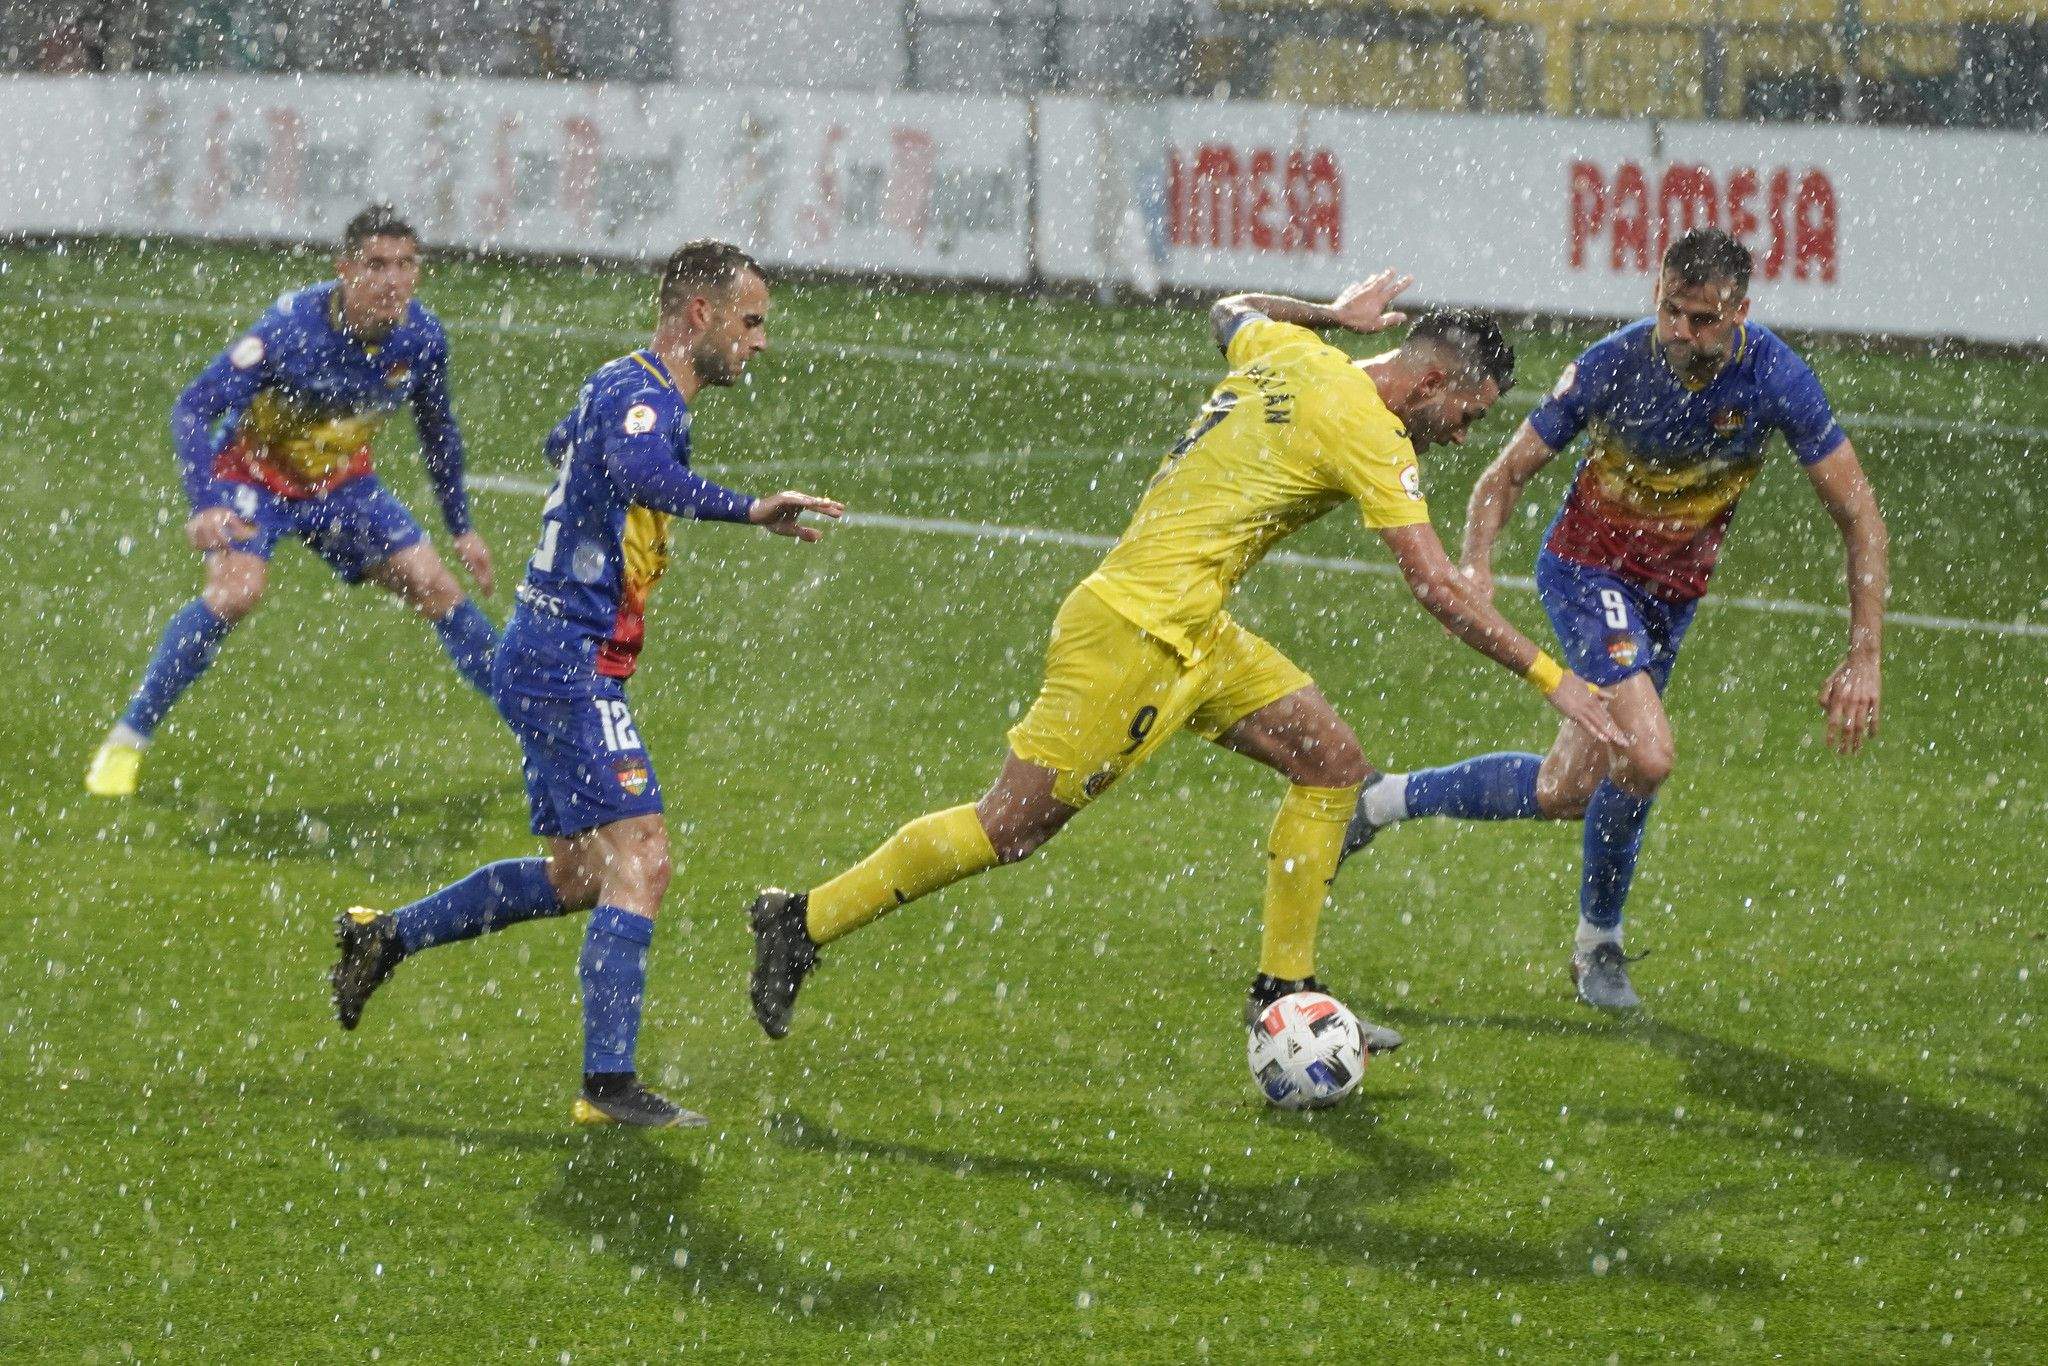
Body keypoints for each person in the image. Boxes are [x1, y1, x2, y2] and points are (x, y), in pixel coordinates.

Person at [747, 270, 1621, 1048]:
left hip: (1193, 624)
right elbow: (1436, 587)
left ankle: (1284, 995)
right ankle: (802, 921)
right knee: (1011, 826)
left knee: (1333, 766)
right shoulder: (1372, 433)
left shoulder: (1293, 351)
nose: (1464, 435)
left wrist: (1331, 315)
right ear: (1432, 380)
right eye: (1468, 414)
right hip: (1137, 635)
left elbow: (1227, 307)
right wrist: (1558, 682)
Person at [330, 241, 843, 1129]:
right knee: (642, 863)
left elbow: (583, 448)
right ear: (699, 317)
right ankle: (609, 1088)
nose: (759, 343)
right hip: (568, 662)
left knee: (576, 877)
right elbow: (641, 471)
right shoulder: (645, 396)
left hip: (552, 654)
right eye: (750, 321)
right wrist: (747, 507)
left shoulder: (625, 384)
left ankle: (385, 937)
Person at [1345, 229, 1888, 1010]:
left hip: (1670, 601)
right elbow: (1501, 480)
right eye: (1669, 309)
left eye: (1701, 319)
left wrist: (1863, 653)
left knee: (1566, 788)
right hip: (1586, 574)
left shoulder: (1777, 379)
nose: (1680, 332)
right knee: (1651, 755)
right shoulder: (1612, 363)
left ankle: (1379, 800)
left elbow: (1860, 517)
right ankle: (1597, 944)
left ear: (1741, 313)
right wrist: (1476, 565)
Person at [85, 203, 499, 798]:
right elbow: (194, 406)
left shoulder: (422, 338)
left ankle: (542, 730)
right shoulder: (289, 329)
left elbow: (439, 433)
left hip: (342, 488)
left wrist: (462, 527)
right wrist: (204, 503)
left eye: (407, 265)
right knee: (236, 592)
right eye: (377, 265)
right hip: (253, 477)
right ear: (345, 269)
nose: (393, 281)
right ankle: (128, 739)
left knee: (435, 584)